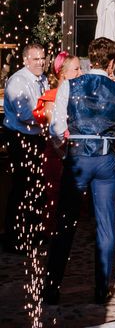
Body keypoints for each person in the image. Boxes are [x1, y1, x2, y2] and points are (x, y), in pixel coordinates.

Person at [43, 37, 115, 305]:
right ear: (111, 62)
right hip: (106, 160)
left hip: (76, 158)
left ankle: (52, 288)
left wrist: (64, 148)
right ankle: (101, 289)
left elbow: (55, 127)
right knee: (106, 225)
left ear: (90, 59)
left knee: (65, 223)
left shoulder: (69, 86)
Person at [2, 43, 48, 254]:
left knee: (37, 186)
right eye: (36, 59)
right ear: (25, 60)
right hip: (19, 138)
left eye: (42, 58)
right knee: (22, 187)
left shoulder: (43, 79)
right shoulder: (17, 82)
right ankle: (16, 238)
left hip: (37, 137)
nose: (40, 62)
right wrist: (50, 117)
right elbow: (24, 116)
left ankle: (34, 233)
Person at [32, 52, 81, 235]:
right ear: (63, 73)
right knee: (55, 197)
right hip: (58, 155)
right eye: (76, 69)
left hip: (72, 154)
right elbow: (54, 134)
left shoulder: (75, 95)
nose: (80, 73)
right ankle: (51, 237)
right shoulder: (52, 97)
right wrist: (65, 155)